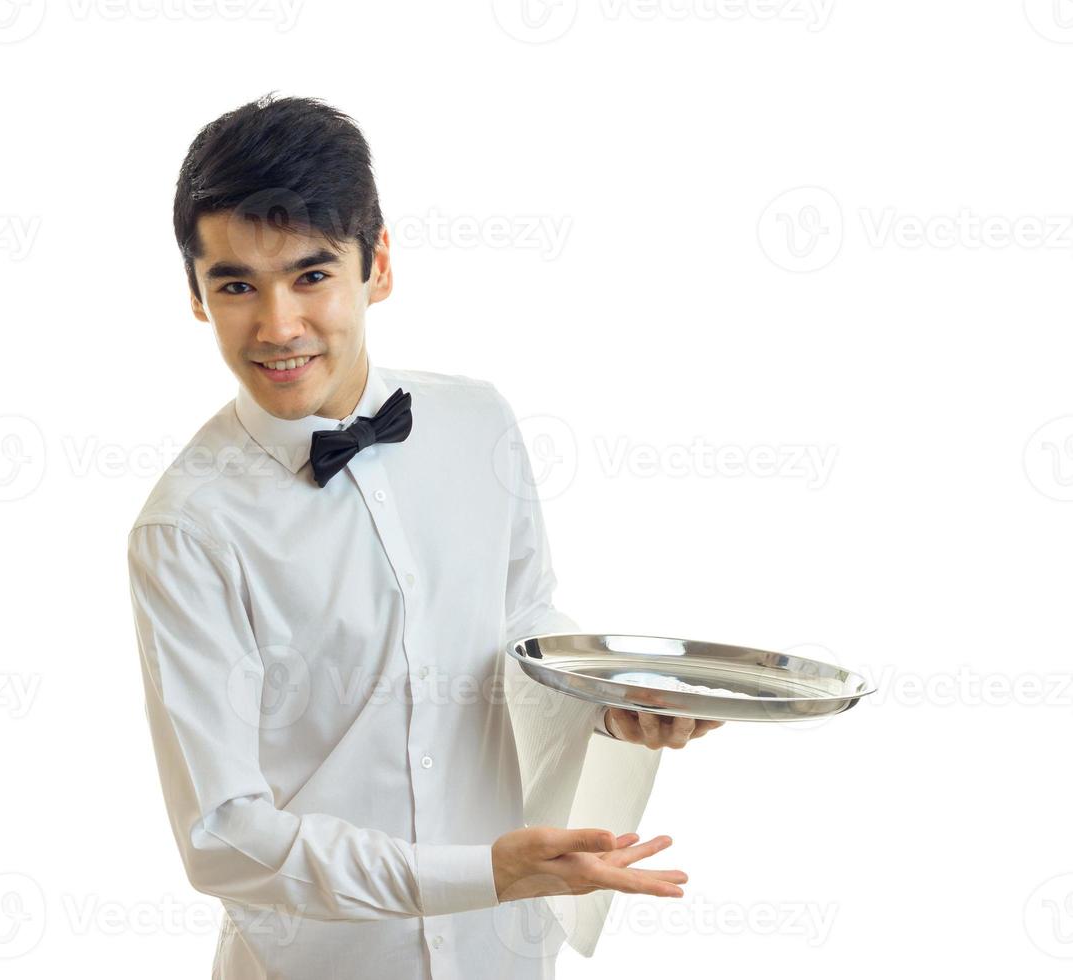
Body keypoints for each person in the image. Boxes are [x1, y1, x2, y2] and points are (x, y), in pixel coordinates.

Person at [127, 92, 722, 980]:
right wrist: (477, 874)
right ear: (195, 296)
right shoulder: (186, 529)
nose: (278, 325)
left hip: (503, 954)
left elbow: (522, 634)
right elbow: (224, 836)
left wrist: (613, 703)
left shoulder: (478, 423)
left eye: (312, 274)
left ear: (380, 265)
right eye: (237, 285)